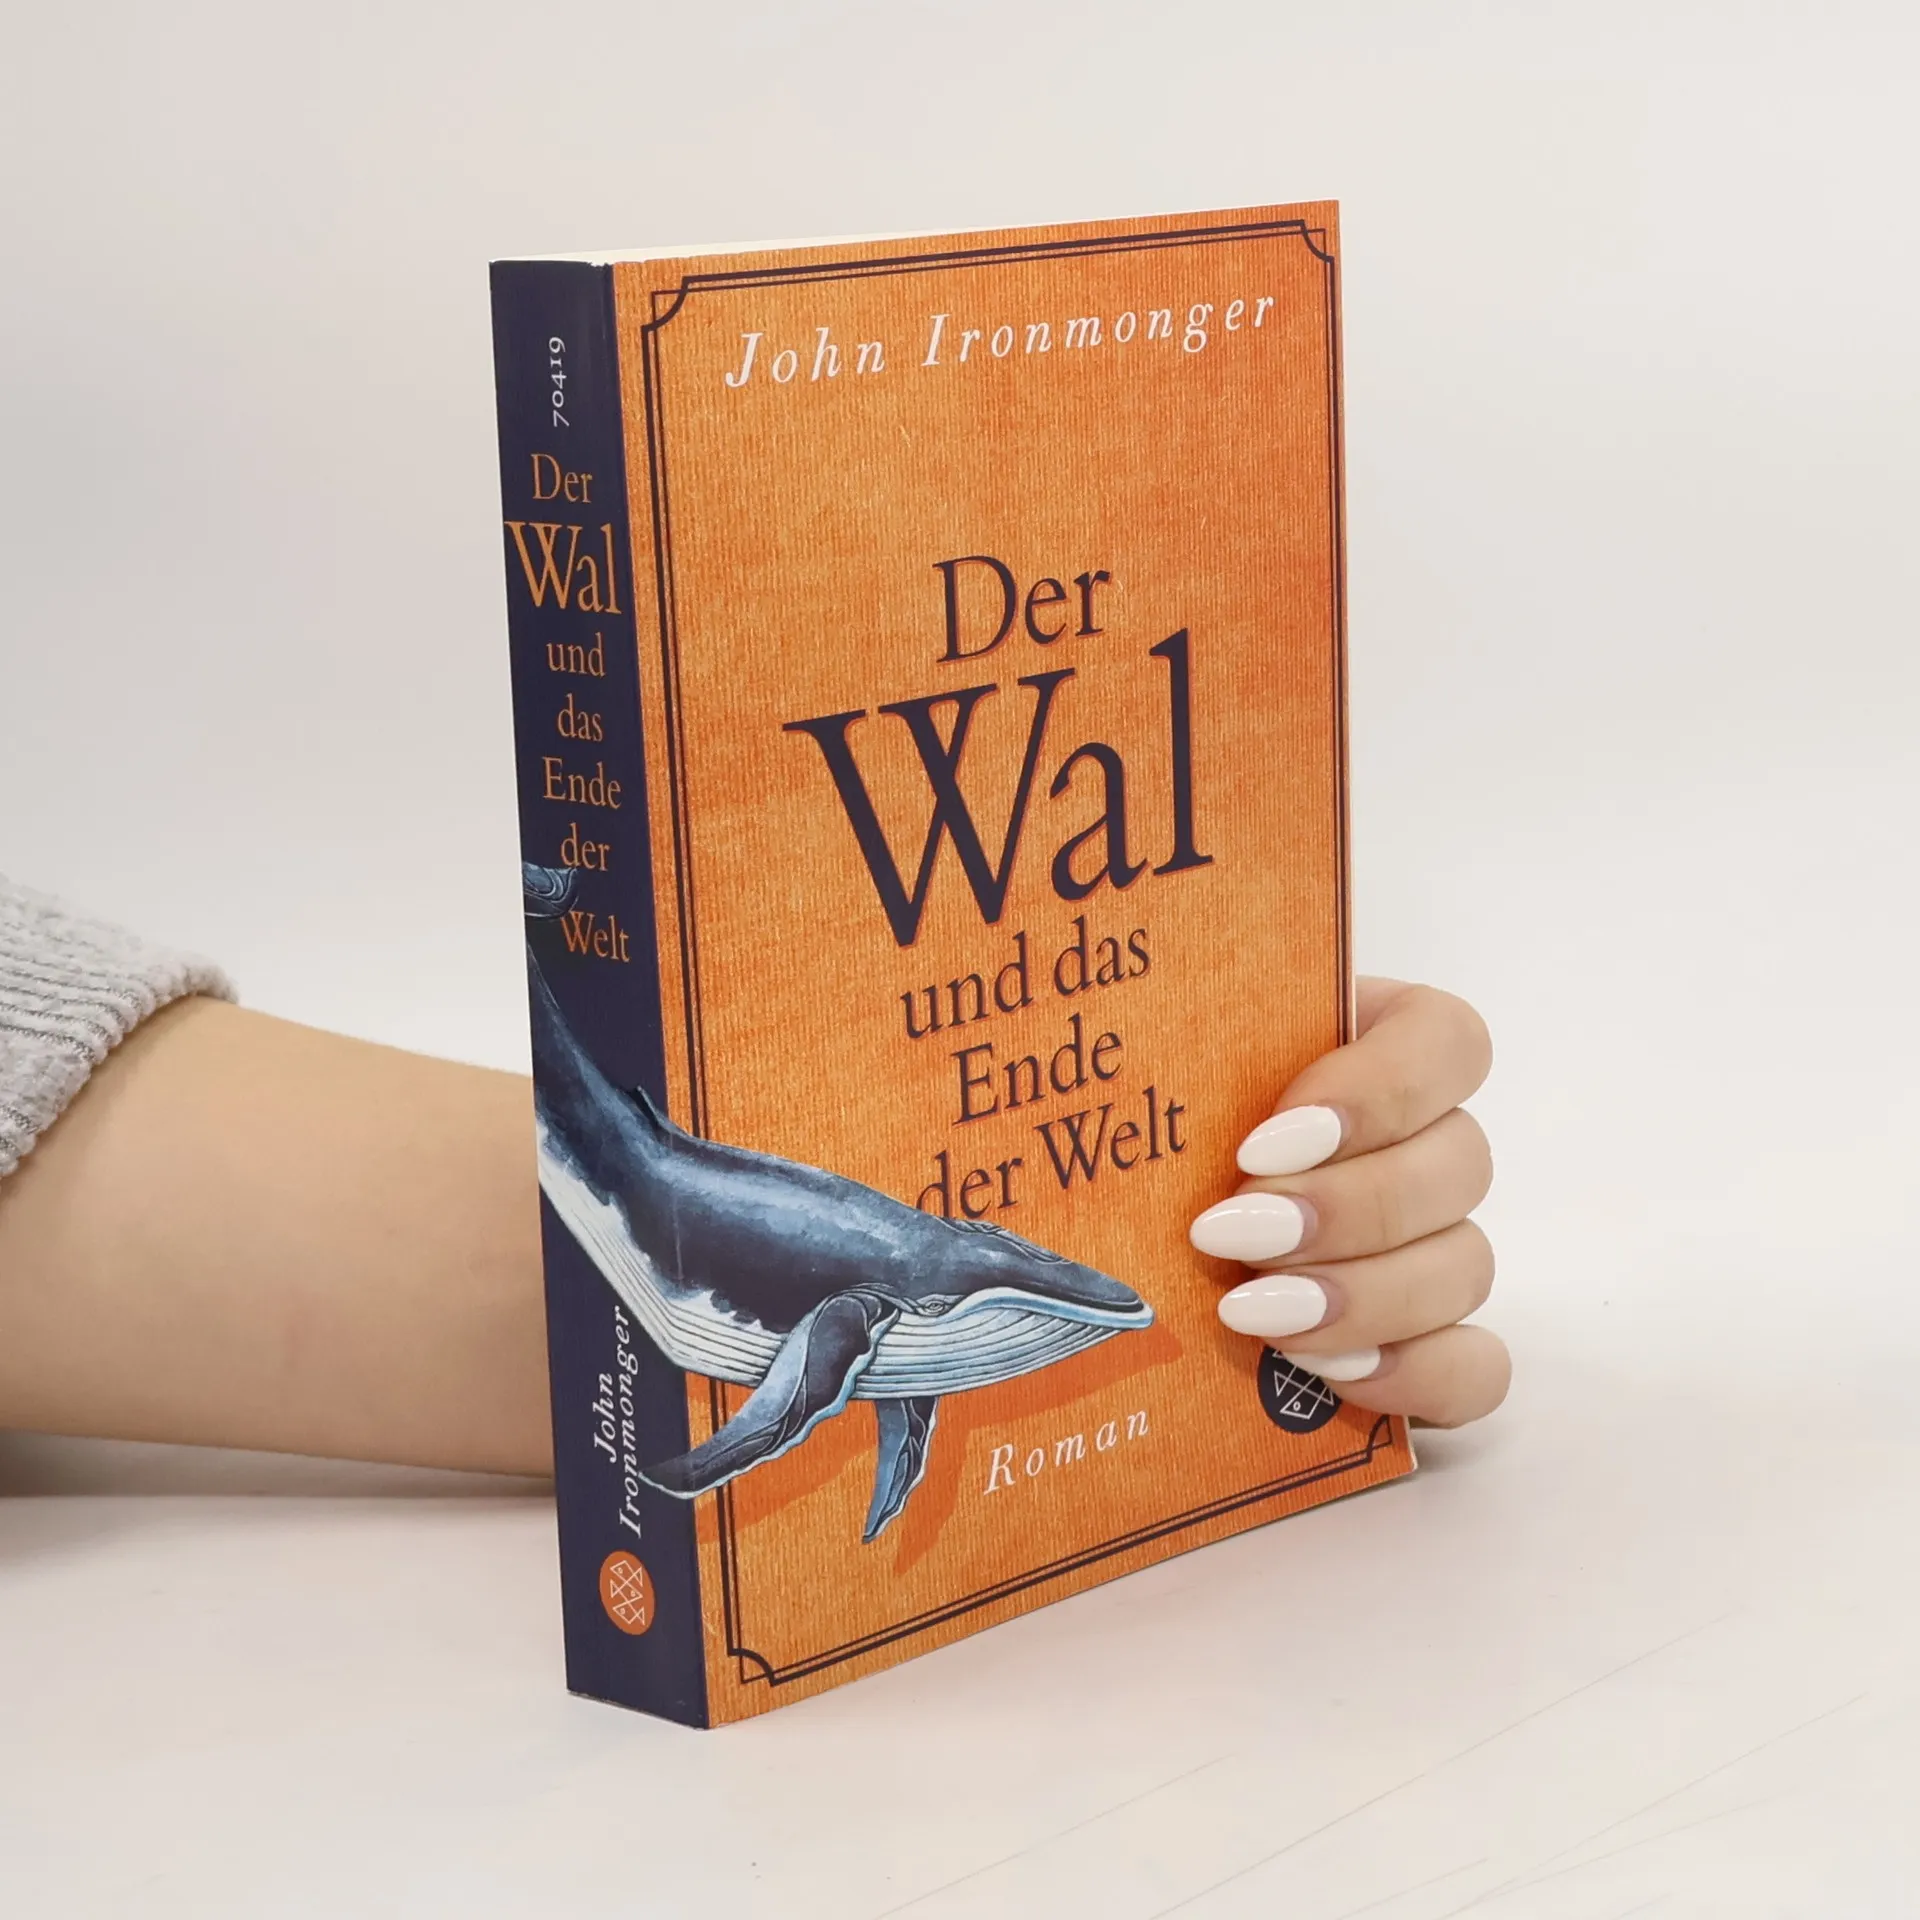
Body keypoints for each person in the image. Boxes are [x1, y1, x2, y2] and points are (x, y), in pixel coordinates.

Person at [0, 875, 1506, 1476]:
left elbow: (891, 1360)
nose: (1077, 1311)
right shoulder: (879, 1316)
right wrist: (714, 1457)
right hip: (728, 1233)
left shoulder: (914, 1332)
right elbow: (829, 1358)